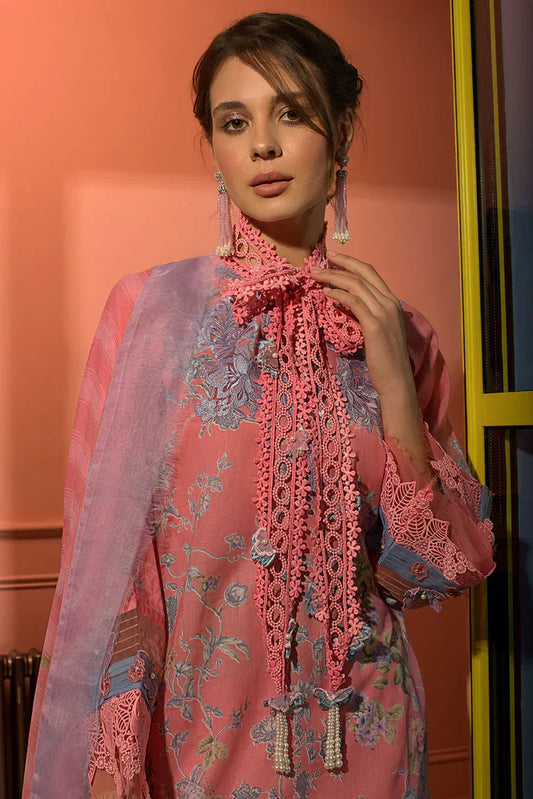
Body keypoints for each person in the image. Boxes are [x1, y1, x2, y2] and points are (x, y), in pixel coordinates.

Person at [23, 12, 495, 799]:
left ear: (338, 133)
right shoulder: (153, 314)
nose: (262, 146)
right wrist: (112, 763)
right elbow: (116, 573)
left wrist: (390, 379)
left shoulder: (399, 330)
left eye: (291, 113)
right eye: (234, 122)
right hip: (201, 739)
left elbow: (439, 571)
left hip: (368, 733)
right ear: (213, 147)